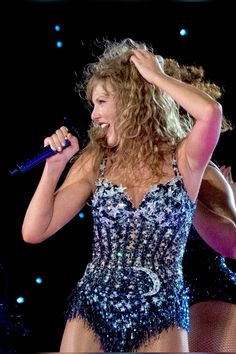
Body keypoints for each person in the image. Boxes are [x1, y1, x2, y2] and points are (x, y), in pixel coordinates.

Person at [21, 38, 222, 352]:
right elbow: (34, 231)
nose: (94, 115)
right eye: (93, 105)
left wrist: (157, 77)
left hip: (162, 310)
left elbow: (210, 113)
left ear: (131, 100)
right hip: (93, 304)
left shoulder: (183, 159)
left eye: (101, 102)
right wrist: (54, 167)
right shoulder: (95, 160)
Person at [168, 60, 236, 351]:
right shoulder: (127, 173)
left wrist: (184, 196)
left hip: (206, 296)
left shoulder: (206, 172)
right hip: (148, 306)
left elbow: (232, 244)